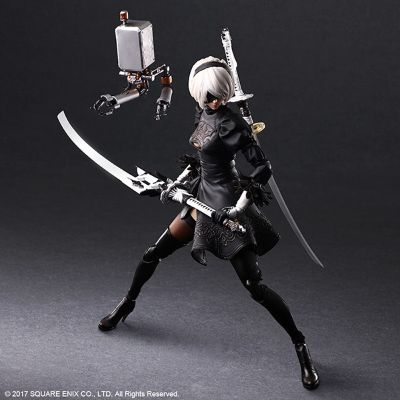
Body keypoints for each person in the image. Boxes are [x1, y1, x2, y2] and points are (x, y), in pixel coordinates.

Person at [98, 56, 320, 390]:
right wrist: (176, 184)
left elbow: (263, 168)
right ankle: (127, 303)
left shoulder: (233, 125)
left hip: (226, 204)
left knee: (254, 286)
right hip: (199, 198)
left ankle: (300, 344)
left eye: (218, 96)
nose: (213, 102)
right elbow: (202, 159)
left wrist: (237, 207)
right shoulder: (203, 111)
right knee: (153, 253)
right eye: (208, 96)